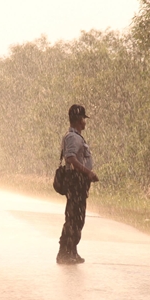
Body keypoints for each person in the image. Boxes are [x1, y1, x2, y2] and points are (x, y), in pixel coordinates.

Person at [56, 105, 99, 265]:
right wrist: (88, 173)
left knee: (77, 218)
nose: (85, 123)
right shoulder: (73, 137)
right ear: (79, 119)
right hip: (76, 181)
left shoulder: (75, 136)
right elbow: (71, 158)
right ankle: (64, 252)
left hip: (78, 182)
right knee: (73, 218)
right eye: (83, 119)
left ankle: (72, 250)